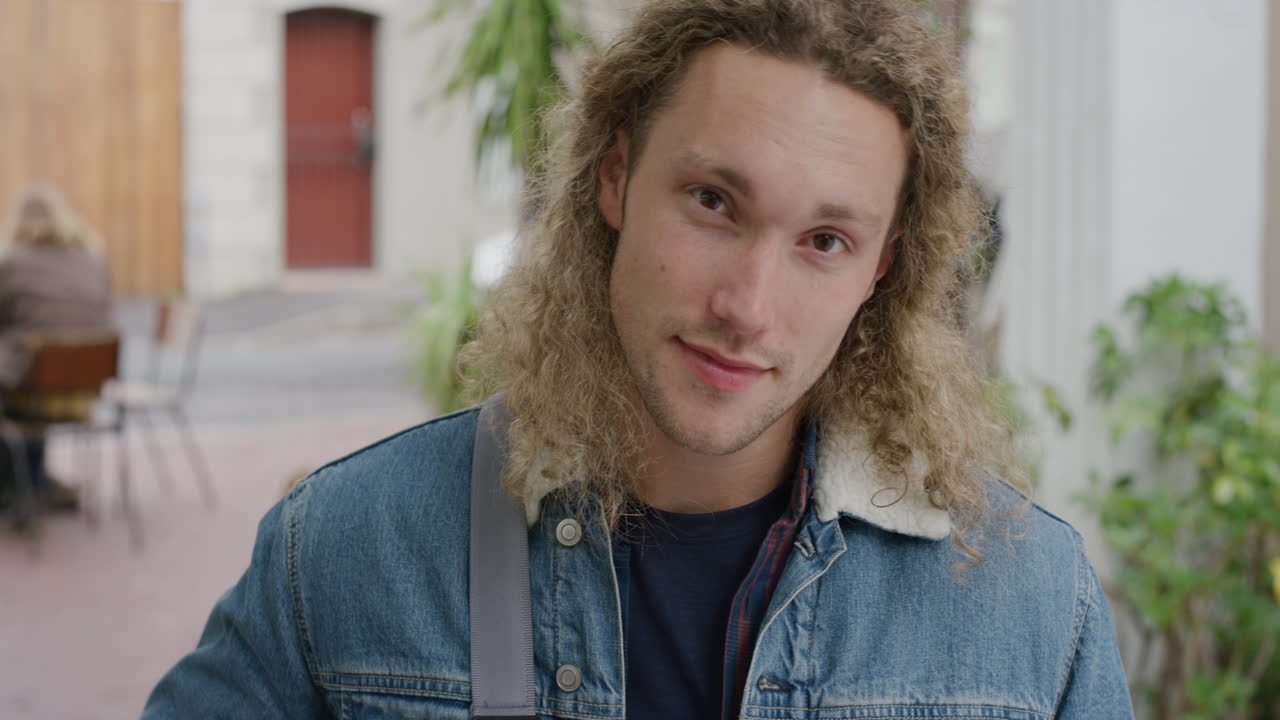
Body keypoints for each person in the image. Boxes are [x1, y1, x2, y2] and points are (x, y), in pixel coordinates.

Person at [144, 1, 1134, 718]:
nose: (746, 309)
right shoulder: (347, 552)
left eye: (823, 241)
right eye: (712, 201)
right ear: (616, 176)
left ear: (882, 263)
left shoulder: (1031, 608)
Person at [0, 184, 113, 511]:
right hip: (85, 393)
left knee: (22, 367)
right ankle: (34, 480)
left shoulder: (11, 264)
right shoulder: (94, 260)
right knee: (35, 362)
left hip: (31, 392)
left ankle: (19, 482)